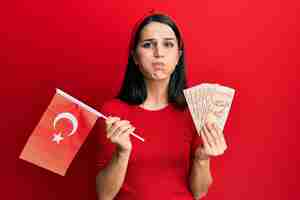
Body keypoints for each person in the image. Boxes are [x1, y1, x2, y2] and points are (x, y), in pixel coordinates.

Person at [95, 12, 227, 200]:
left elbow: (200, 192)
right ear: (135, 57)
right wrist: (122, 153)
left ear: (178, 56)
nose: (159, 53)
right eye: (148, 44)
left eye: (168, 44)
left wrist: (202, 158)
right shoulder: (113, 112)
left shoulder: (194, 110)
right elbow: (104, 195)